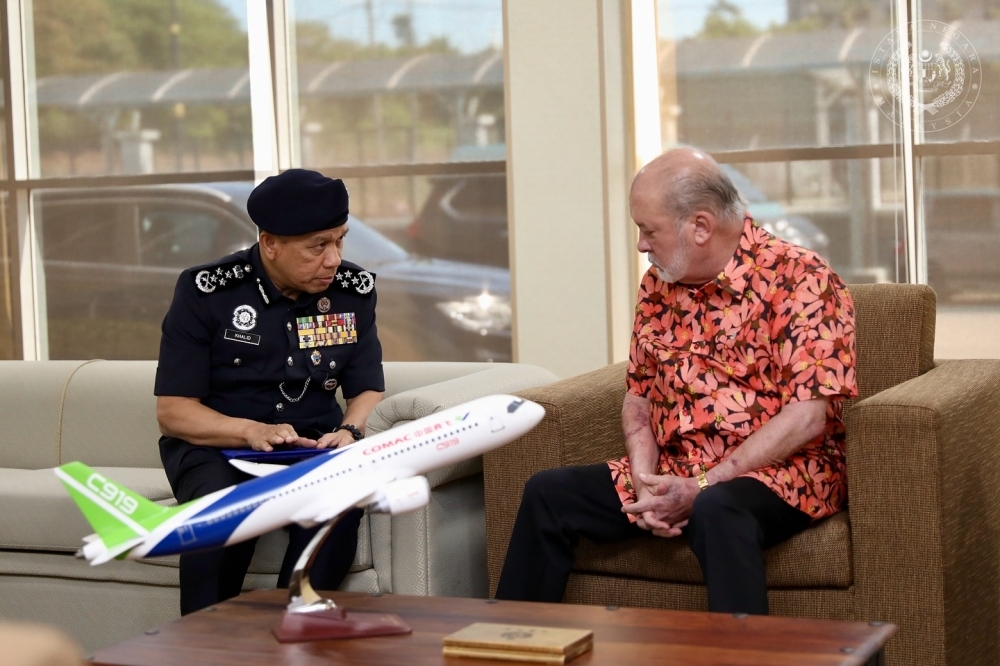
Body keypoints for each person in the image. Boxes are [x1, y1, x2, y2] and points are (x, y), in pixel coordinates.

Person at [495, 147, 857, 615]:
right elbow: (639, 396)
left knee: (718, 509)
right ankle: (508, 648)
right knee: (549, 493)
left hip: (782, 473)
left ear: (700, 227)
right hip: (680, 467)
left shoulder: (802, 279)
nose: (642, 245)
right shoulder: (658, 285)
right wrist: (646, 481)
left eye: (649, 231)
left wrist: (705, 485)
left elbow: (808, 417)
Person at [154, 169, 384, 615]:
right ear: (270, 243)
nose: (333, 259)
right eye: (318, 246)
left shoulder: (354, 292)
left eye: (340, 241)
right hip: (218, 448)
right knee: (220, 511)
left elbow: (368, 386)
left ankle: (292, 625)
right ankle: (204, 639)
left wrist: (350, 430)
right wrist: (250, 431)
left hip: (310, 443)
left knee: (340, 503)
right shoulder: (207, 292)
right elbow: (174, 412)